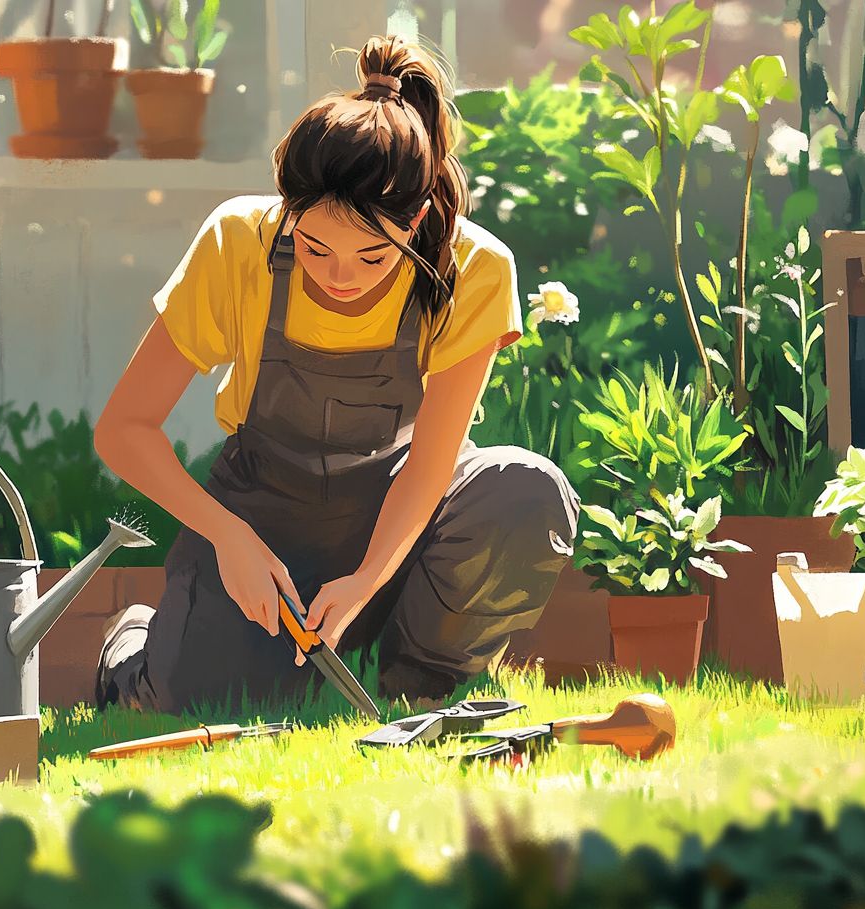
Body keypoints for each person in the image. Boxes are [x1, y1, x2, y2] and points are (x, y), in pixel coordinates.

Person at [93, 34, 579, 715]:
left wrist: (364, 581)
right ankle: (132, 649)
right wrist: (227, 535)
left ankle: (418, 686)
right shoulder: (240, 242)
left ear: (415, 220)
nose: (339, 276)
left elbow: (432, 466)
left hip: (401, 513)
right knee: (200, 700)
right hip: (266, 520)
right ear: (287, 207)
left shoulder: (474, 268)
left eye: (372, 258)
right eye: (315, 247)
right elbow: (124, 430)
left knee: (527, 491)